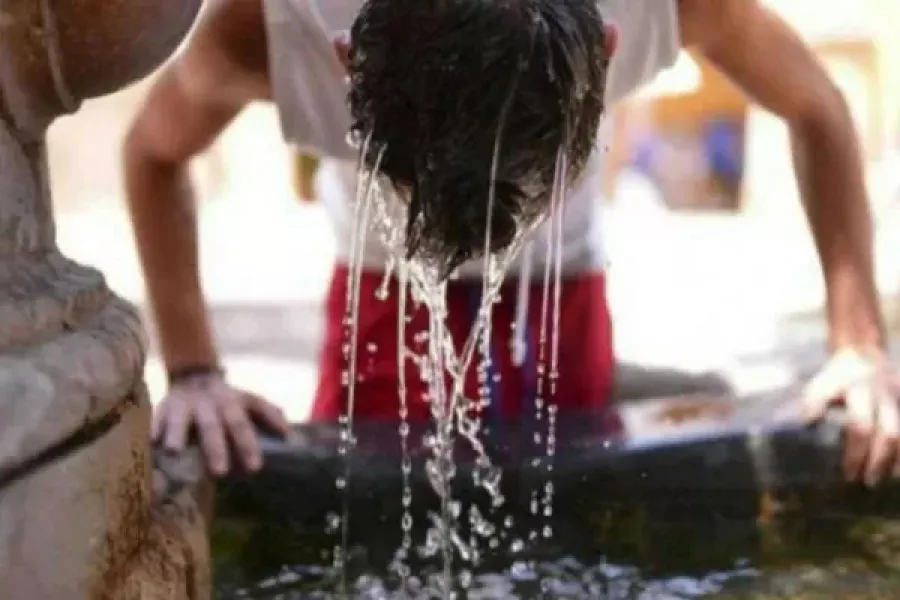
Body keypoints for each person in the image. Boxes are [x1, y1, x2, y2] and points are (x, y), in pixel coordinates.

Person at [125, 0, 899, 487]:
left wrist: (858, 343)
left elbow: (817, 107)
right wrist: (194, 370)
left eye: (540, 174)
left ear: (604, 47)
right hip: (385, 293)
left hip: (561, 291)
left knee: (585, 513)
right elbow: (153, 153)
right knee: (356, 511)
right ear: (347, 62)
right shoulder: (266, 26)